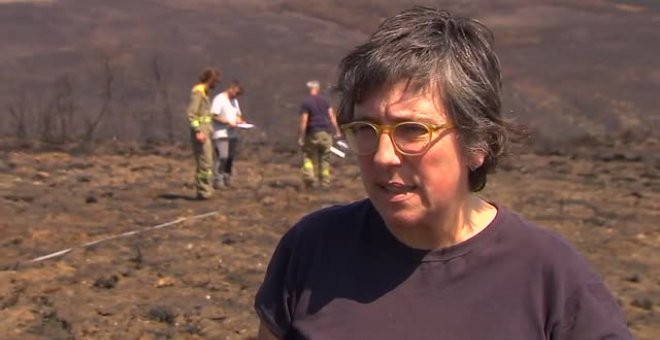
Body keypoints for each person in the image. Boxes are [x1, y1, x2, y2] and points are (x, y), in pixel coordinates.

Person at [254, 6, 632, 340]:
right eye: (366, 130)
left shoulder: (550, 277)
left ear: (477, 143)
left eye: (413, 130)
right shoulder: (312, 247)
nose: (383, 156)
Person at [297, 80, 341, 189]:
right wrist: (337, 131)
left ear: (308, 89)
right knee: (324, 157)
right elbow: (332, 117)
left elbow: (304, 121)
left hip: (312, 133)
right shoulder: (325, 101)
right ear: (318, 89)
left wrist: (301, 136)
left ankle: (310, 178)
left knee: (308, 156)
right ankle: (325, 181)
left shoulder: (306, 103)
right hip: (326, 132)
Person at [186, 67, 220, 200]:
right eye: (215, 82)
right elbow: (191, 114)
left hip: (206, 130)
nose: (215, 85)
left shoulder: (204, 93)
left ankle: (206, 189)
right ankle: (203, 191)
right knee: (204, 162)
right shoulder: (198, 93)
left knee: (208, 161)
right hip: (201, 133)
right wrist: (198, 131)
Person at [211, 80, 245, 189]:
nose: (236, 96)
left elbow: (238, 114)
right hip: (221, 133)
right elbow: (213, 115)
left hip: (232, 134)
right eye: (236, 93)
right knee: (223, 156)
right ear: (231, 88)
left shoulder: (234, 101)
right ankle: (218, 180)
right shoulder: (219, 99)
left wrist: (240, 121)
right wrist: (226, 122)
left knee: (230, 158)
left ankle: (227, 178)